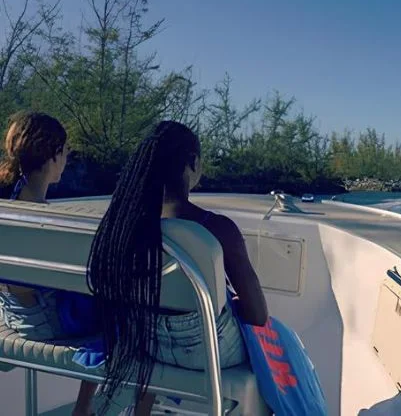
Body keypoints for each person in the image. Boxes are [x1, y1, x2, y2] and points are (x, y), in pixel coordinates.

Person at [87, 120, 268, 415]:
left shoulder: (124, 226)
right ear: (192, 162)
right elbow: (258, 315)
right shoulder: (217, 228)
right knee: (275, 345)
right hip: (209, 351)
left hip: (148, 343)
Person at [0, 111, 99, 416]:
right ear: (53, 155)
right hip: (46, 324)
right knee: (126, 316)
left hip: (12, 315)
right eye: (65, 151)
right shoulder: (48, 220)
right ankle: (84, 408)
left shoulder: (6, 207)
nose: (66, 158)